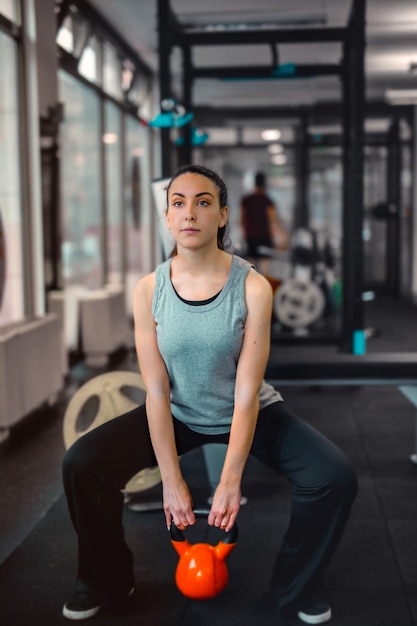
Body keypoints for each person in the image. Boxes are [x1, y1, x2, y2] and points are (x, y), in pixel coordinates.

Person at [62, 164, 357, 623]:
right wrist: (172, 479)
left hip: (251, 412)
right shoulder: (149, 290)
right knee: (82, 465)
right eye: (178, 203)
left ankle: (296, 586)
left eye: (203, 202)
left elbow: (245, 392)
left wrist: (230, 480)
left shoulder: (253, 288)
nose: (190, 213)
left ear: (221, 215)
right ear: (167, 217)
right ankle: (104, 579)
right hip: (178, 412)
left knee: (334, 477)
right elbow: (156, 390)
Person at [240, 171, 289, 274]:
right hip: (264, 236)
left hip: (250, 237)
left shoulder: (246, 200)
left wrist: (245, 233)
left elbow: (242, 220)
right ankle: (265, 287)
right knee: (265, 266)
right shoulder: (267, 201)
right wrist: (283, 235)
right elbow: (273, 220)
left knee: (250, 267)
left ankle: (252, 287)